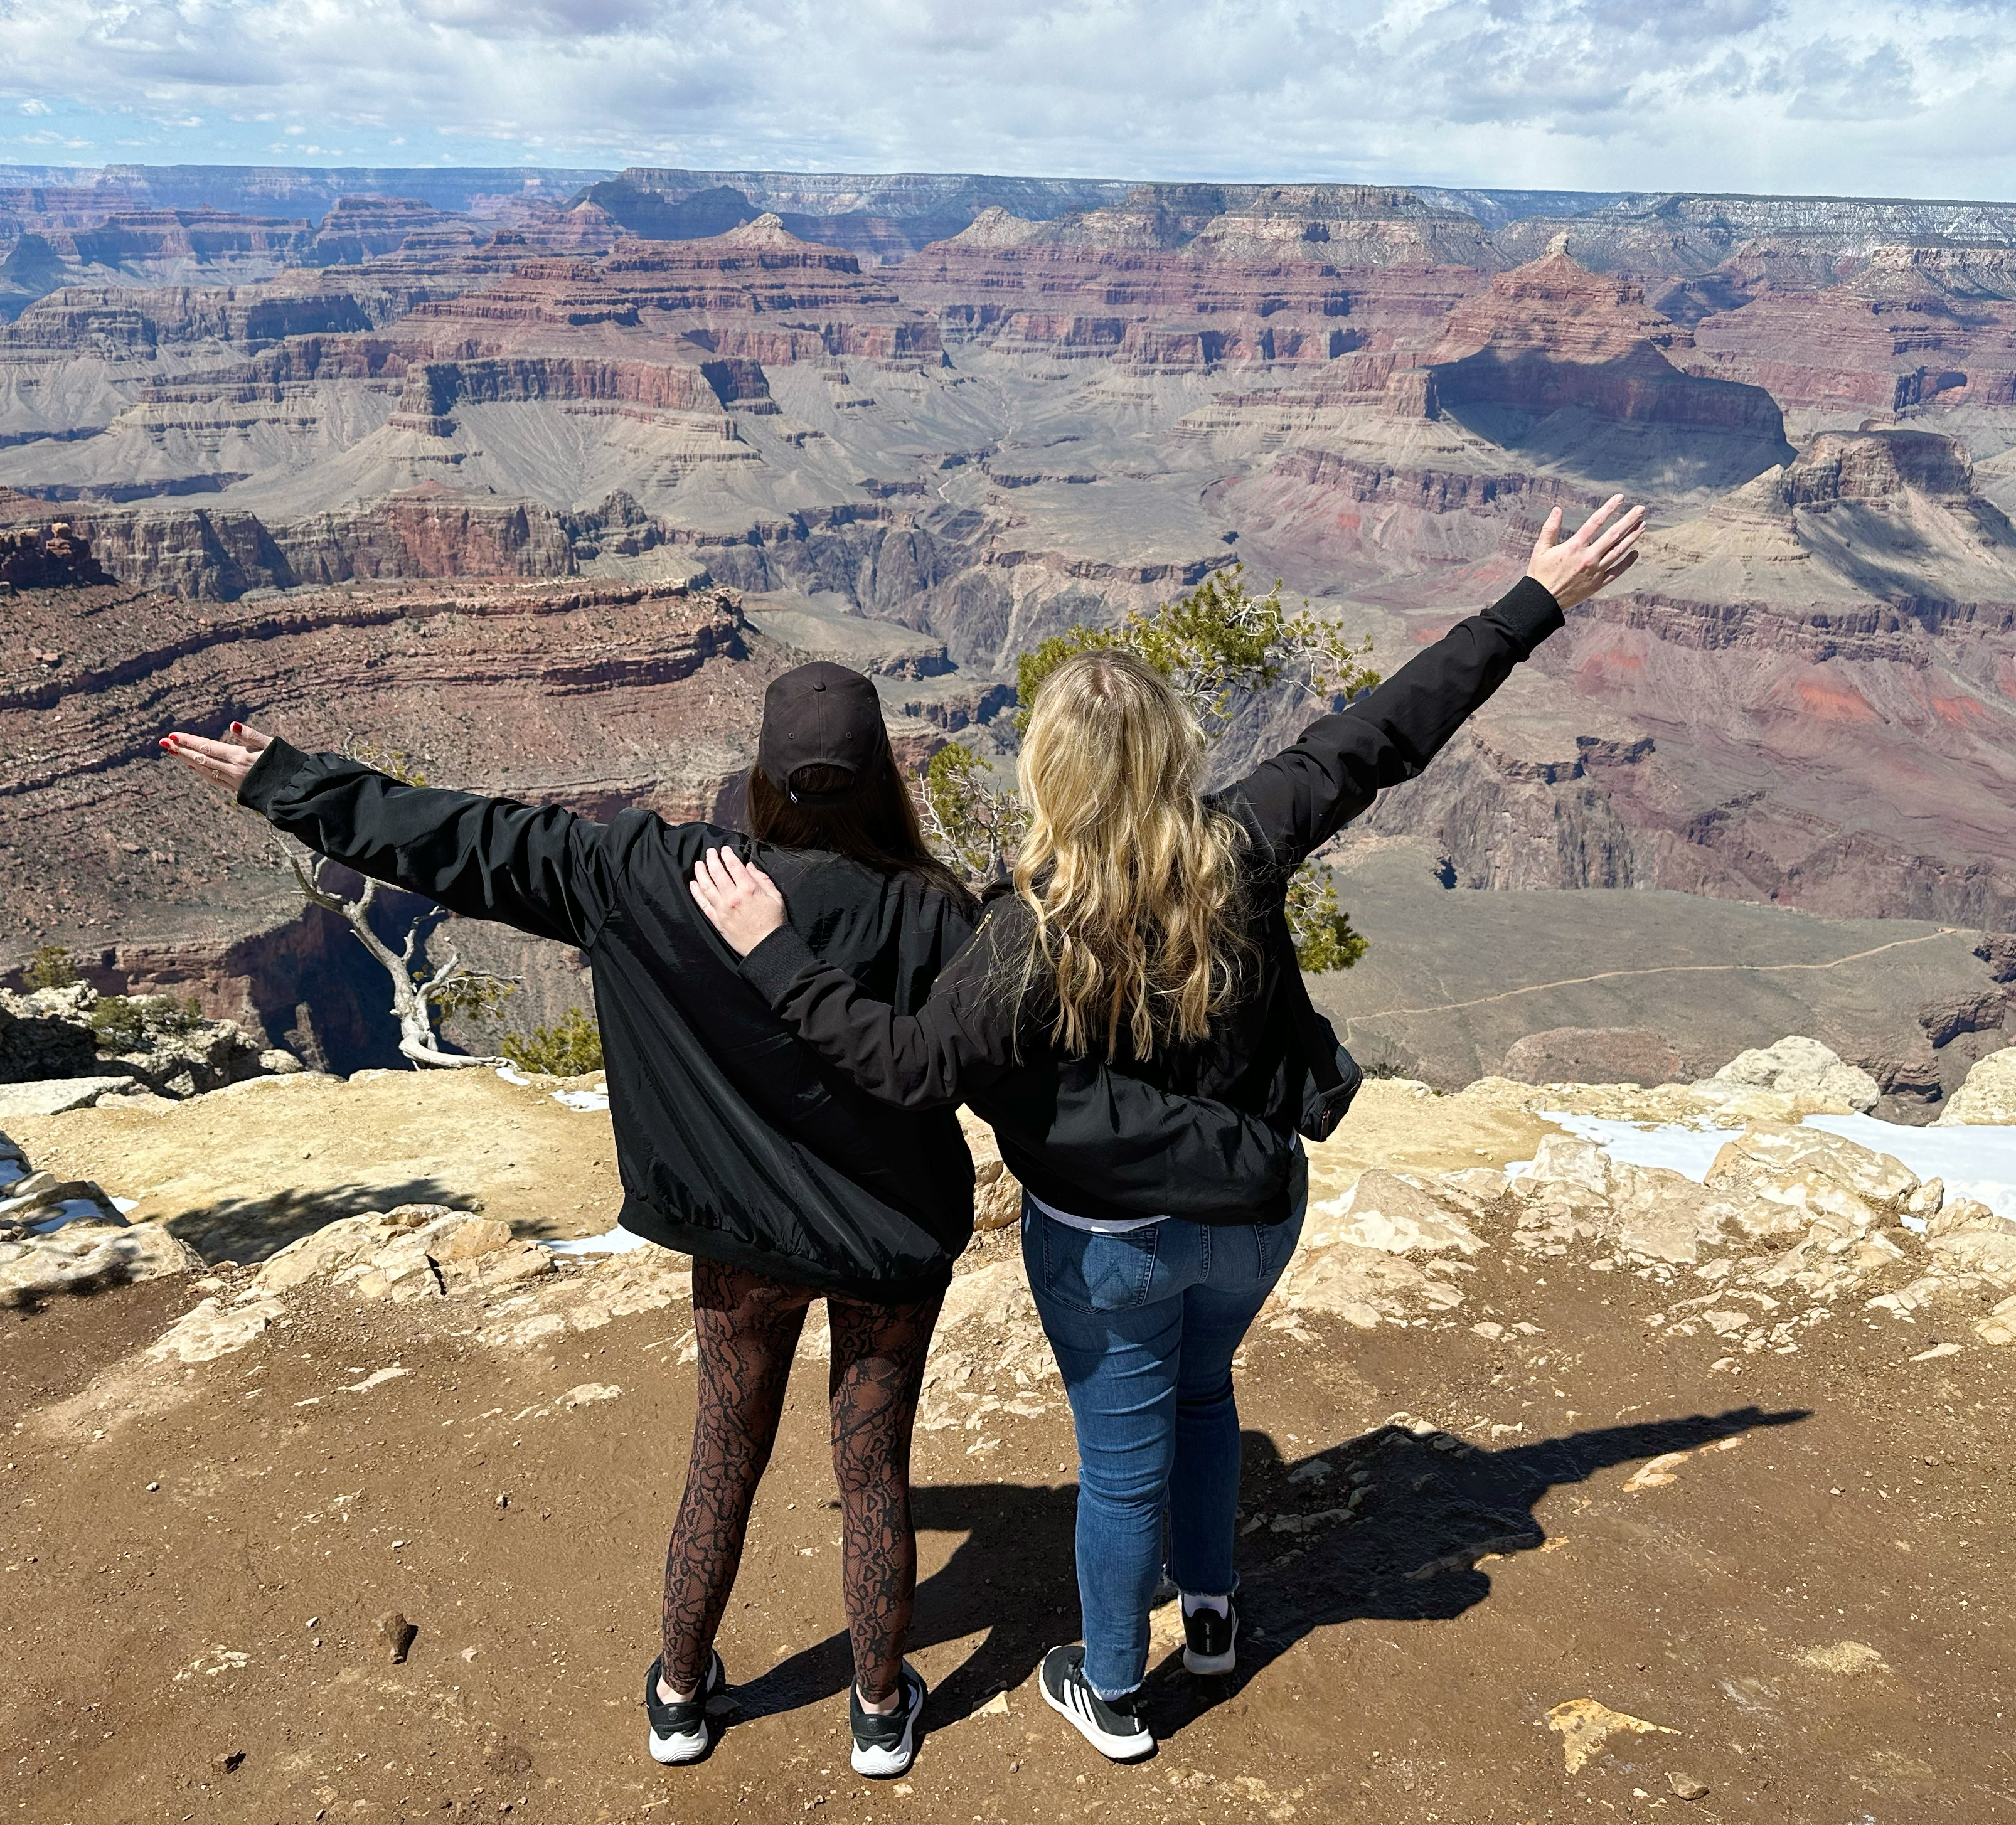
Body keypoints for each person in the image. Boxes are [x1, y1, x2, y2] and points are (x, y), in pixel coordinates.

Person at [159, 660, 1290, 1780]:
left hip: (742, 1248)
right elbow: (1025, 1075)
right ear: (885, 777)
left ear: (759, 774)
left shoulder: (656, 878)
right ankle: (880, 1711)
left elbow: (469, 840)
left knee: (724, 1455)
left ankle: (680, 1695)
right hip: (888, 1247)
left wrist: (288, 783)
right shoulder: (941, 914)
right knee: (874, 1474)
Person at [690, 497, 1648, 1762]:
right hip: (1252, 1217)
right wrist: (1538, 598)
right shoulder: (1244, 841)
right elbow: (1388, 733)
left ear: (1050, 774)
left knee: (1121, 1461)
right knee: (1206, 1391)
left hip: (1110, 1250)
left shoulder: (1022, 937)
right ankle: (1210, 1613)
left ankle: (1113, 1690)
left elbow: (908, 1066)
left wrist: (771, 953)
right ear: (1170, 755)